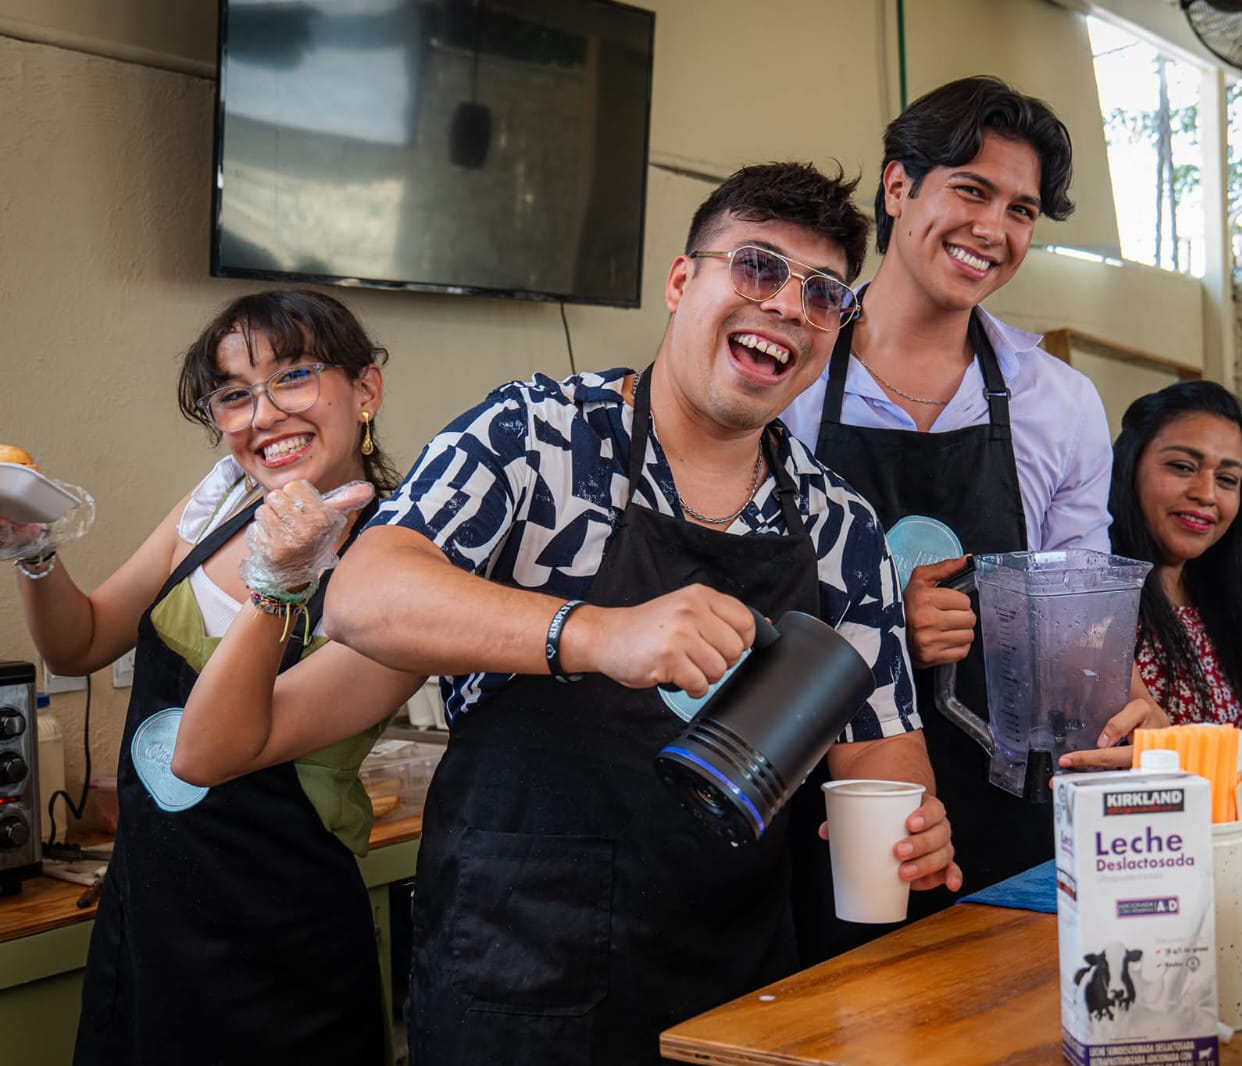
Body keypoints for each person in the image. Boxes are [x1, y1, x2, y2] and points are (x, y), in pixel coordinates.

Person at [192, 162, 958, 1066]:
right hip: (517, 985)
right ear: (682, 283)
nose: (788, 305)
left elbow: (882, 746)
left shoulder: (837, 523)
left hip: (736, 994)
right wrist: (599, 632)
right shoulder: (537, 437)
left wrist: (915, 824)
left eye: (823, 294)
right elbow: (366, 590)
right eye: (755, 268)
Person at [780, 76, 1167, 954]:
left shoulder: (1056, 402)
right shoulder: (790, 371)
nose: (995, 230)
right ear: (896, 186)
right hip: (825, 810)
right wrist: (879, 628)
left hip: (1006, 808)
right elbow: (727, 592)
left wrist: (1131, 705)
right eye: (971, 189)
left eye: (1022, 210)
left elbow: (1081, 623)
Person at [8, 290, 396, 1064]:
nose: (263, 415)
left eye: (292, 377)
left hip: (281, 946)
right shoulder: (219, 503)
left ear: (364, 390)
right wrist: (32, 548)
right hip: (146, 919)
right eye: (234, 394)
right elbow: (79, 642)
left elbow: (211, 749)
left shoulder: (396, 564)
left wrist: (278, 586)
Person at [1110, 381, 1242, 736]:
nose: (1206, 494)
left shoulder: (1221, 604)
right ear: (1130, 467)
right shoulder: (1098, 608)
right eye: (1182, 467)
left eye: (1226, 479)